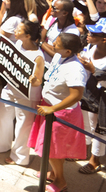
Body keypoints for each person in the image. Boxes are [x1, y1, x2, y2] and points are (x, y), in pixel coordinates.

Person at [28, 33, 88, 192]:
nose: (53, 44)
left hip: (60, 113)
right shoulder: (59, 57)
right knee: (54, 148)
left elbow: (77, 95)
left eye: (57, 43)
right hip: (48, 108)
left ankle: (61, 182)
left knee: (52, 149)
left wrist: (53, 109)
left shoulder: (75, 69)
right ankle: (54, 173)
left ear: (68, 51)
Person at [0, 20, 45, 166]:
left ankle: (19, 157)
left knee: (23, 126)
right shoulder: (18, 44)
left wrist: (34, 80)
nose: (15, 31)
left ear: (27, 35)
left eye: (19, 30)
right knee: (1, 115)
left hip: (27, 95)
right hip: (10, 88)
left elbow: (39, 80)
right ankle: (0, 146)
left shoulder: (38, 56)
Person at [78, 18, 106, 175]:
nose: (89, 34)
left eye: (93, 33)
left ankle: (94, 160)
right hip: (85, 93)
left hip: (100, 98)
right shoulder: (89, 47)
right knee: (84, 123)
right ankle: (82, 150)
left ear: (104, 39)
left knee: (98, 129)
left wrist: (94, 70)